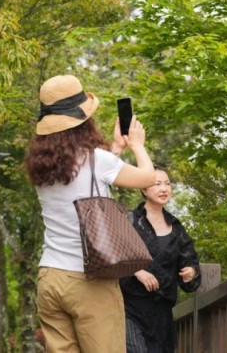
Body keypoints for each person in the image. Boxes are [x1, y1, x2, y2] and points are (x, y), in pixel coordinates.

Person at [25, 74, 156, 352]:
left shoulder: (41, 168)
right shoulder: (98, 160)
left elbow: (83, 178)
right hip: (89, 278)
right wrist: (137, 145)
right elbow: (147, 178)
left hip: (50, 277)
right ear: (84, 120)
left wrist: (115, 148)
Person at [120, 167, 201, 353]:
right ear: (144, 189)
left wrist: (190, 272)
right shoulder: (130, 220)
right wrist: (137, 271)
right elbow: (113, 254)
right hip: (130, 309)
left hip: (162, 316)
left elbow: (190, 261)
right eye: (157, 184)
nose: (164, 188)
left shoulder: (176, 227)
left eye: (167, 183)